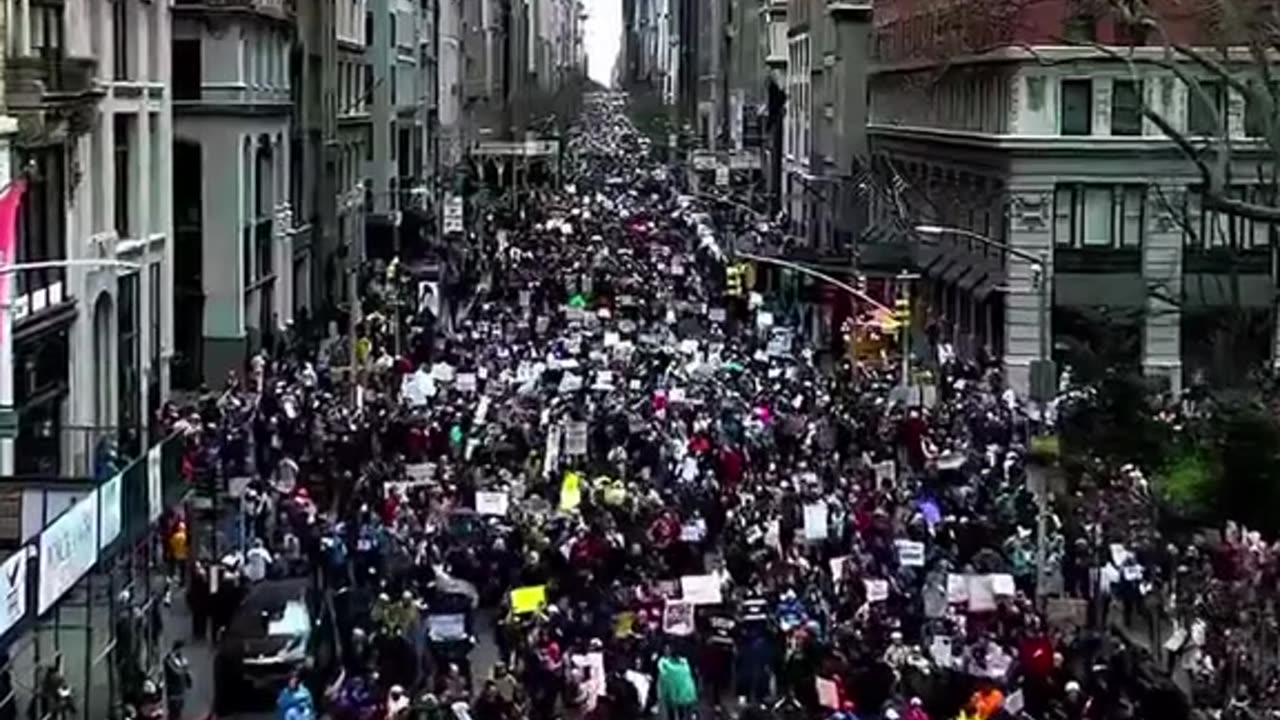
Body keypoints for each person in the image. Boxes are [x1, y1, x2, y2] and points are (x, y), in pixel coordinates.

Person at [163, 640, 192, 720]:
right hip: (173, 690)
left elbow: (186, 672)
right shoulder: (169, 659)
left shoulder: (182, 659)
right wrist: (185, 669)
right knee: (173, 711)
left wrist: (188, 680)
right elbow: (177, 670)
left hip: (181, 690)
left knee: (179, 711)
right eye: (180, 649)